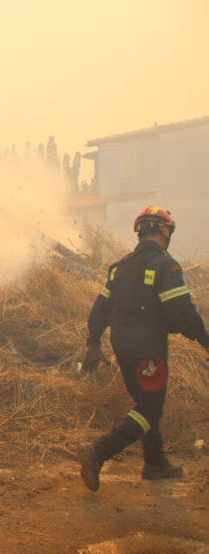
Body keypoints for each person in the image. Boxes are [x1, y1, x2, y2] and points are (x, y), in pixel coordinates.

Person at [77, 205, 209, 492]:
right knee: (149, 409)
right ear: (165, 231)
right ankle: (98, 452)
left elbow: (99, 310)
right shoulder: (166, 266)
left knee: (146, 402)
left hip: (122, 348)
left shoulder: (120, 267)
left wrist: (93, 343)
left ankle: (155, 463)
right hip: (148, 350)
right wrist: (203, 338)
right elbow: (181, 312)